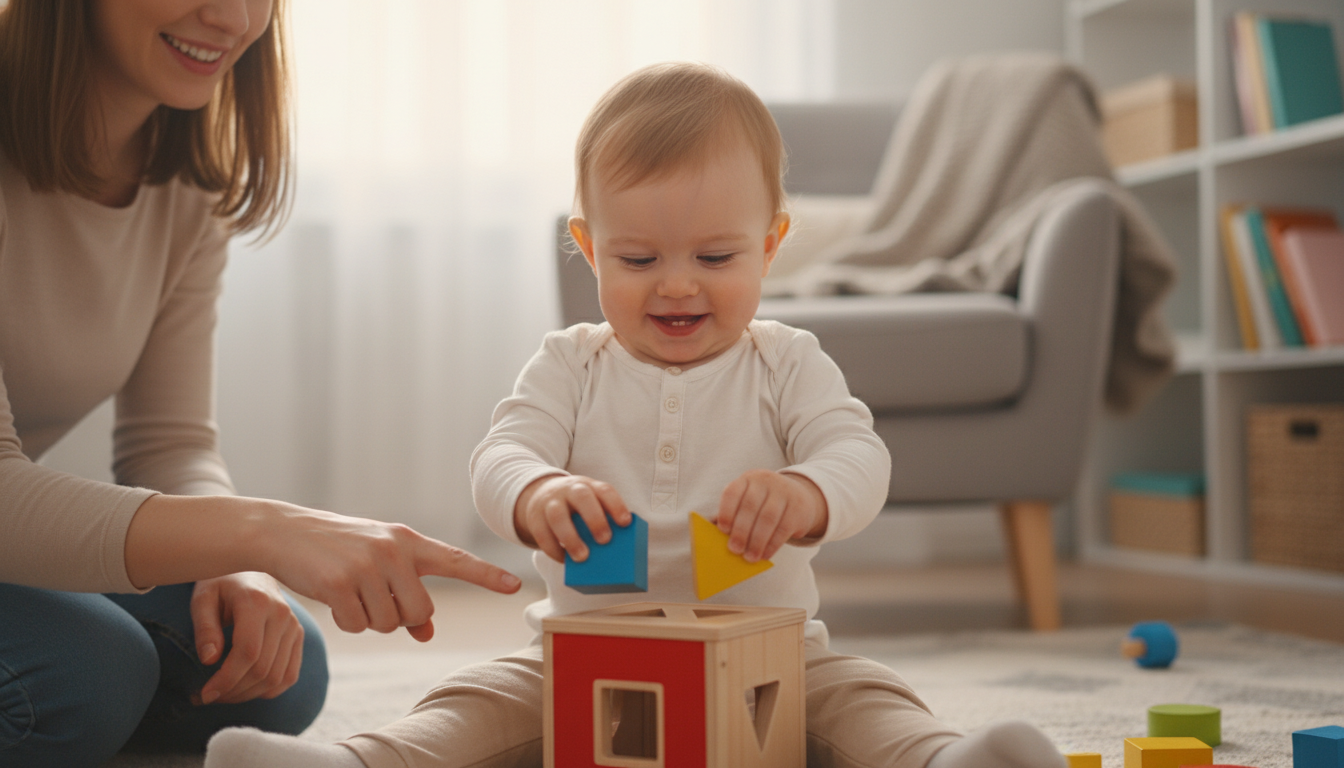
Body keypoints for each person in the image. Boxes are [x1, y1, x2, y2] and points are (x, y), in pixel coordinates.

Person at [203, 62, 1066, 768]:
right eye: (640, 257)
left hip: (770, 653)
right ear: (588, 249)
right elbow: (502, 453)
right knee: (473, 705)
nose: (679, 282)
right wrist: (537, 491)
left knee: (862, 698)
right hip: (581, 656)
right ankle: (358, 762)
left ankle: (947, 760)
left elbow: (858, 454)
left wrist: (805, 494)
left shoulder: (786, 360)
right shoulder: (569, 363)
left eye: (717, 255)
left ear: (769, 247)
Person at [0, 1, 521, 766]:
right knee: (89, 671)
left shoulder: (180, 180)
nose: (234, 15)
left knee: (277, 666)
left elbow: (168, 443)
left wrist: (237, 565)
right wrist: (267, 532)